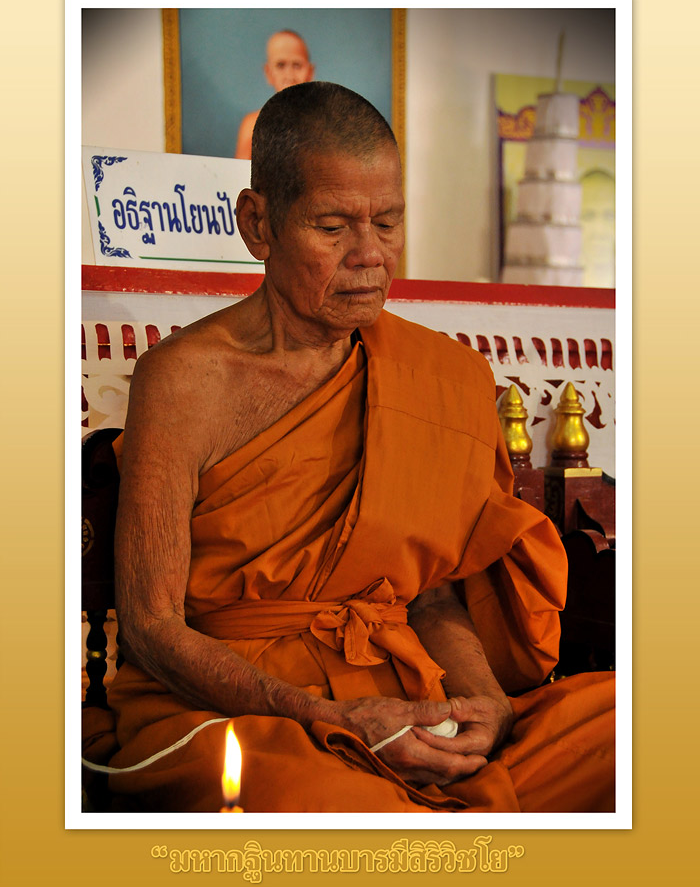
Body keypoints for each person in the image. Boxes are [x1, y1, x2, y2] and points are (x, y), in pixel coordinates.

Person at [101, 82, 614, 812]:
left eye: (388, 222)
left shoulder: (438, 376)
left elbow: (430, 593)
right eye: (333, 226)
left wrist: (485, 708)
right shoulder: (184, 381)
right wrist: (330, 718)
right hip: (242, 712)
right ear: (258, 224)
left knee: (631, 725)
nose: (370, 256)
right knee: (312, 804)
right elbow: (152, 628)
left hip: (405, 693)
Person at [234, 30, 314, 160]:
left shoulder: (325, 125)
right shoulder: (252, 125)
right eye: (280, 65)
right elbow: (240, 171)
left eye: (297, 65)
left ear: (310, 72)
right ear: (268, 73)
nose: (289, 75)